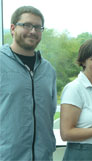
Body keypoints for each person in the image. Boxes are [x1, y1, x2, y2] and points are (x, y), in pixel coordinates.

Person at [0, 6, 57, 161]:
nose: (33, 31)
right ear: (12, 28)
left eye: (38, 27)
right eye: (27, 25)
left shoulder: (48, 70)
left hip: (43, 156)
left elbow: (50, 112)